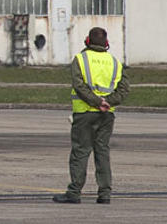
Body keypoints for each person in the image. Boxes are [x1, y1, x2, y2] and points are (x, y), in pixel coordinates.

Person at [52, 26, 130, 205]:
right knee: (102, 152)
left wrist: (96, 102)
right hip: (107, 114)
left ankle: (74, 192)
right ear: (107, 43)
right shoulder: (115, 62)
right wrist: (108, 101)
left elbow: (79, 86)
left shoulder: (81, 59)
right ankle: (105, 193)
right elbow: (124, 89)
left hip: (84, 113)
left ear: (87, 41)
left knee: (80, 152)